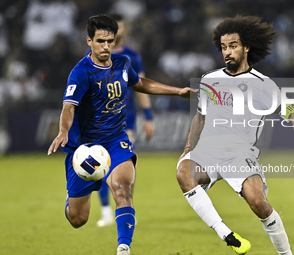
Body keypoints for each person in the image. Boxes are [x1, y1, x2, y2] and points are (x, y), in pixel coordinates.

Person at [47, 14, 192, 255]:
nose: (105, 46)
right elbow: (68, 106)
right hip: (84, 150)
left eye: (110, 41)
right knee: (77, 219)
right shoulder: (81, 72)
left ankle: (123, 248)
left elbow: (140, 83)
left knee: (123, 190)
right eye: (100, 41)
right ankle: (73, 198)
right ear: (89, 41)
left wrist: (177, 91)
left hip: (116, 142)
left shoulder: (122, 63)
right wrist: (63, 130)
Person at [176, 16, 294, 255]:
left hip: (240, 155)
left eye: (233, 46)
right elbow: (200, 117)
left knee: (258, 202)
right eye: (224, 47)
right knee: (183, 173)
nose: (227, 52)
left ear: (246, 47)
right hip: (208, 151)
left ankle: (286, 254)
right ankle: (226, 234)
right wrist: (188, 147)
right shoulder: (210, 80)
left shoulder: (262, 84)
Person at [94, 13, 154, 228]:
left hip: (127, 121)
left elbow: (142, 87)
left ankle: (125, 207)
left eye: (120, 27)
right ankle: (106, 211)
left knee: (125, 165)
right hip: (100, 122)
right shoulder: (92, 55)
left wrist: (148, 117)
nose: (117, 31)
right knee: (99, 165)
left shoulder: (132, 57)